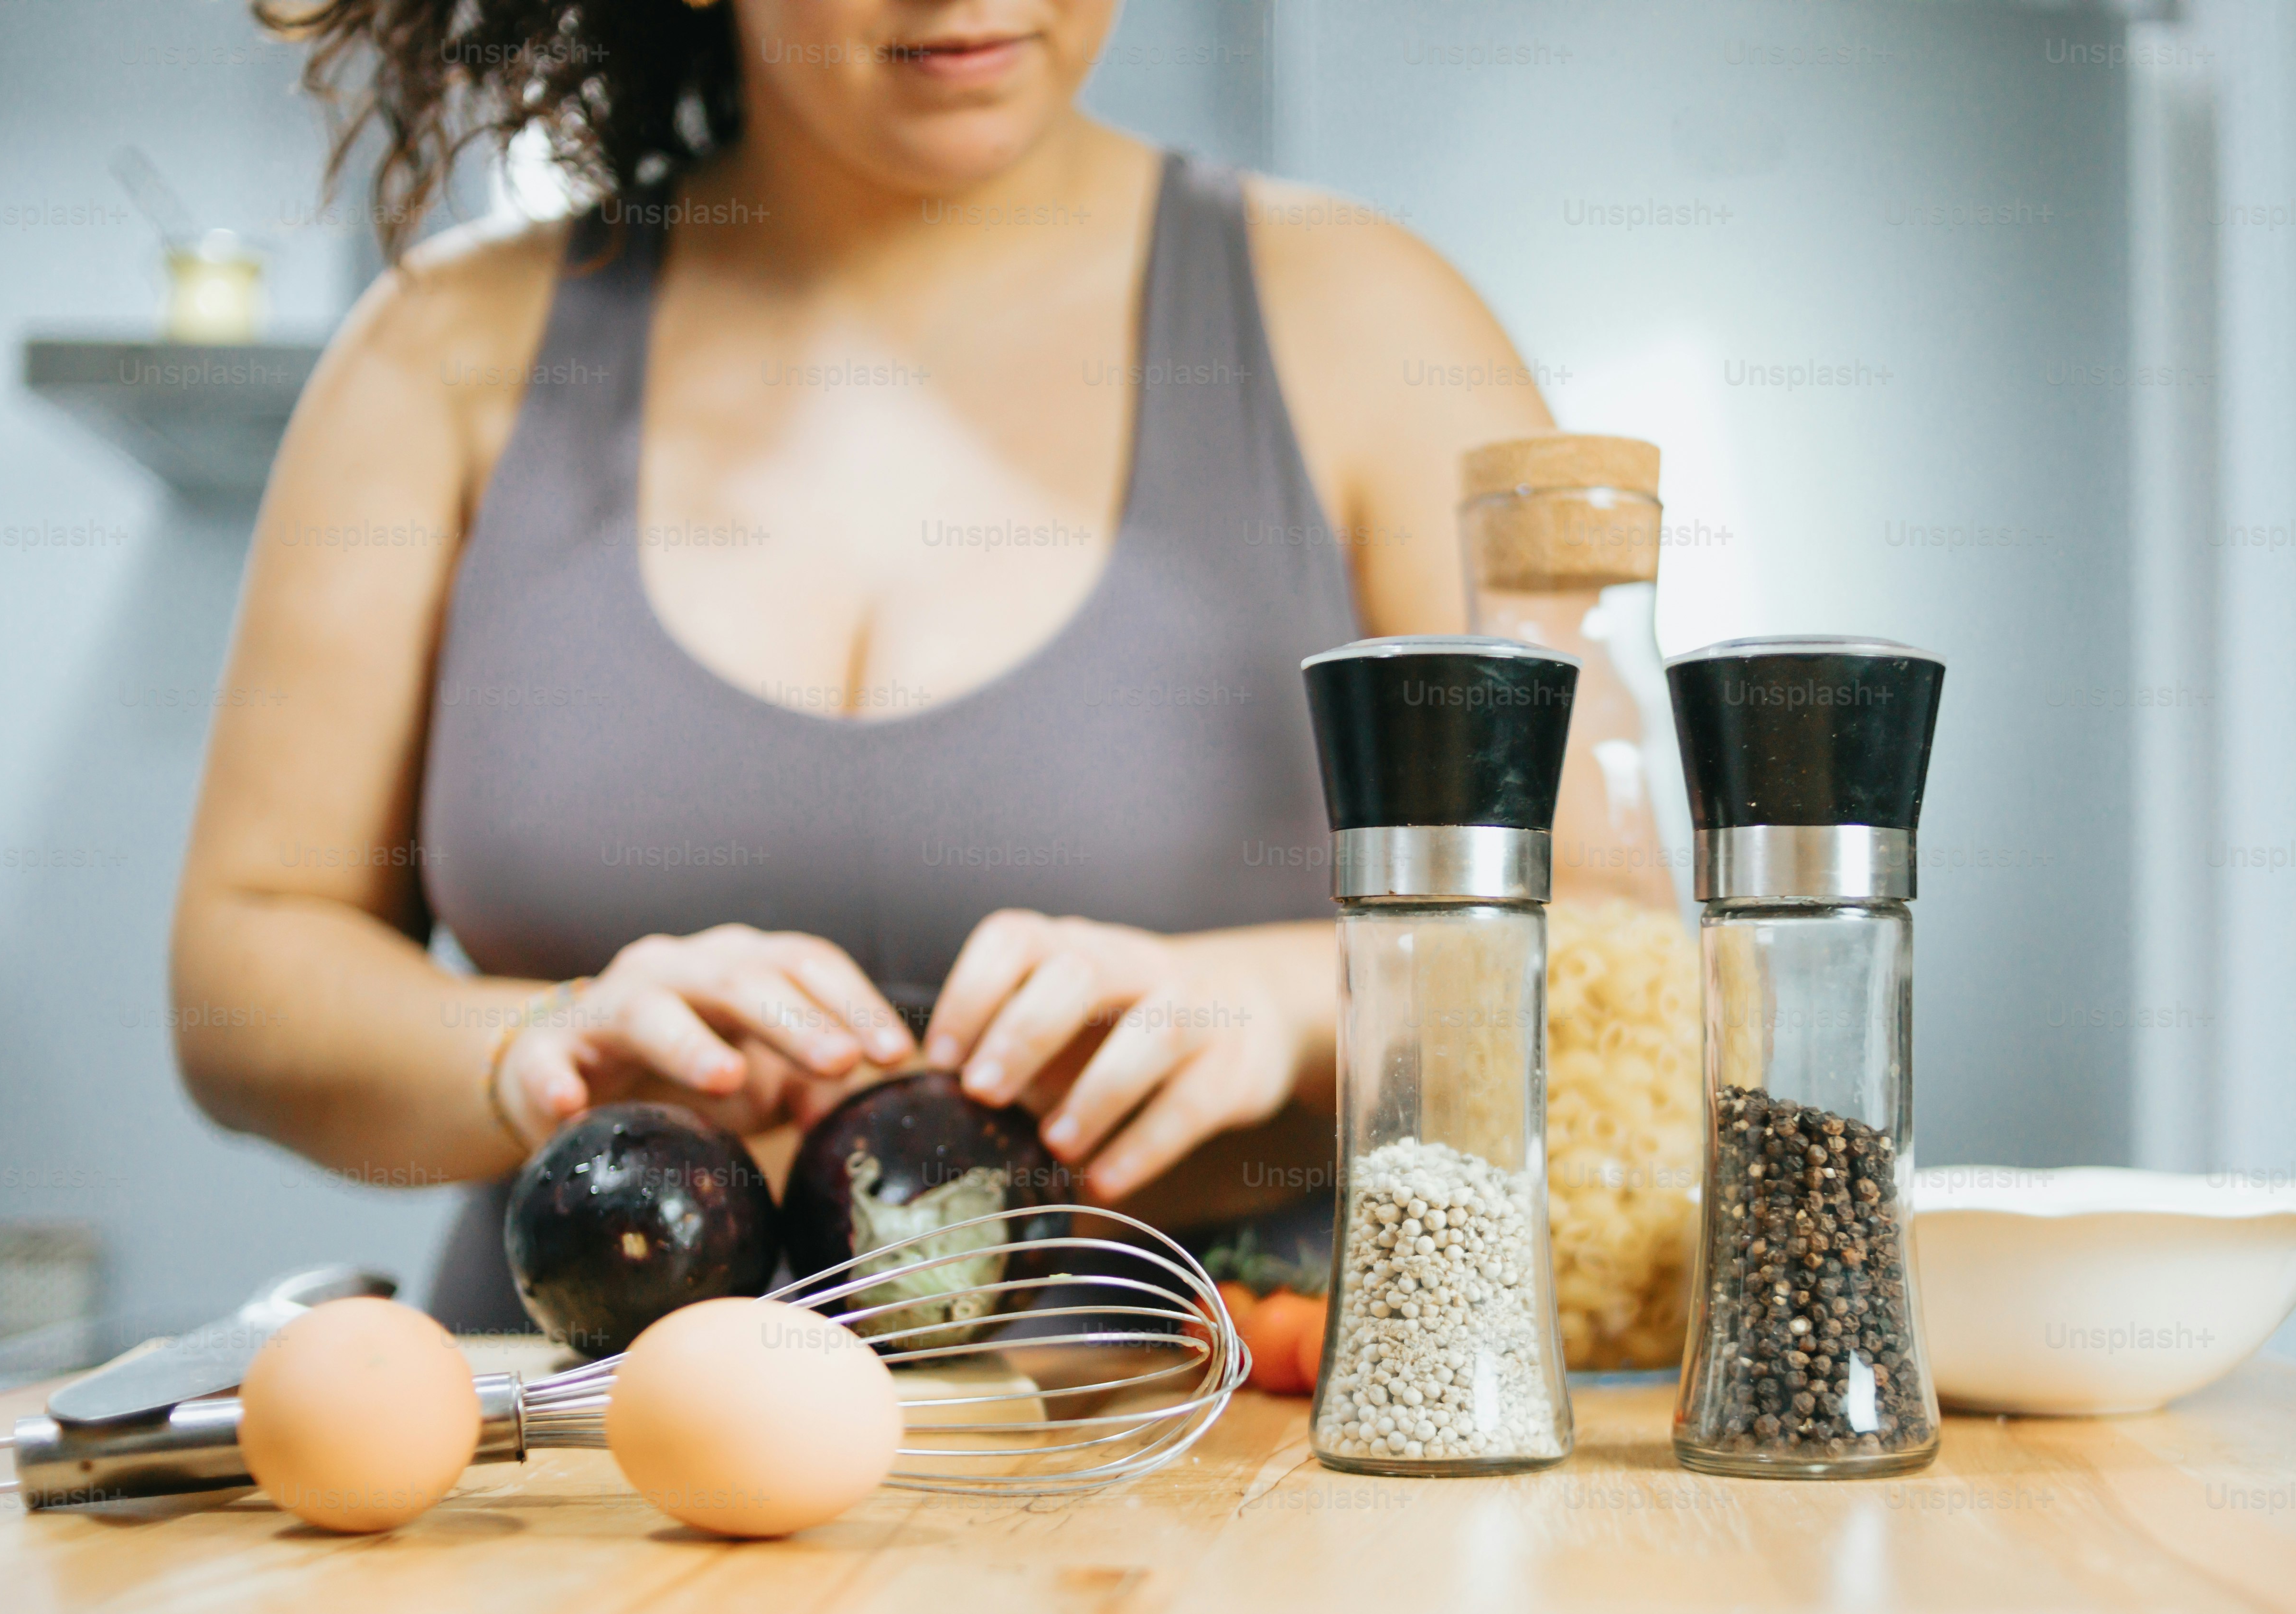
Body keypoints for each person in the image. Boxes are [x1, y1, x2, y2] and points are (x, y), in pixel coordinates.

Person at [169, 0, 1552, 1325]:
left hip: (1230, 1483)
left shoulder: (1374, 329)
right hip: (584, 1484)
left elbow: (1616, 956)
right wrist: (532, 1046)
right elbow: (247, 966)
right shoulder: (441, 353)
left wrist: (1298, 1004)